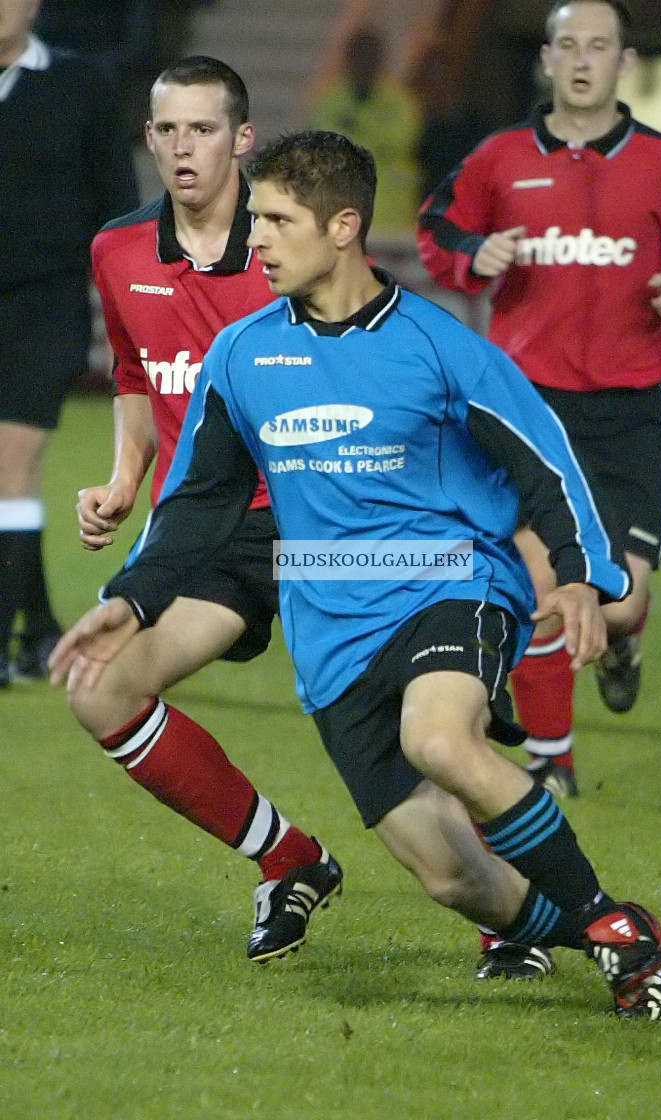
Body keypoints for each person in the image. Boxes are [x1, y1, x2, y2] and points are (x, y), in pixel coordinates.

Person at [51, 130, 661, 1021]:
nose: (256, 239)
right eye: (255, 217)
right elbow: (197, 500)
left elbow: (545, 459)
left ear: (343, 226)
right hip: (329, 620)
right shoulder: (242, 355)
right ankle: (607, 926)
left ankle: (607, 929)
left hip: (447, 579)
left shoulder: (434, 343)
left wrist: (581, 576)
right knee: (450, 877)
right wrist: (131, 598)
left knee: (438, 739)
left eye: (276, 219)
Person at [66, 56, 343, 964]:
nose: (185, 148)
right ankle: (290, 860)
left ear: (244, 138)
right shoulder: (116, 250)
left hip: (315, 515)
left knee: (408, 716)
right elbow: (136, 373)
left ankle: (523, 914)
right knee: (100, 688)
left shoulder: (290, 248)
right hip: (201, 525)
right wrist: (120, 478)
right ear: (149, 140)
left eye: (205, 129)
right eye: (169, 130)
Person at [417, 0, 661, 797]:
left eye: (599, 46)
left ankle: (624, 642)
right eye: (567, 45)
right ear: (545, 59)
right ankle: (551, 758)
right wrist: (473, 257)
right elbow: (438, 229)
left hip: (625, 413)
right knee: (543, 584)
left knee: (615, 604)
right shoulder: (498, 157)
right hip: (528, 407)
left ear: (624, 62)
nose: (582, 59)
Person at [0, 0, 139, 687]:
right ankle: (38, 631)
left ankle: (4, 640)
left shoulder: (81, 85)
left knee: (11, 462)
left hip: (43, 306)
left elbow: (115, 202)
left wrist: (126, 305)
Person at [310, 26, 422, 236]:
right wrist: (375, 134)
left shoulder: (398, 102)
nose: (364, 64)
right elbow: (327, 141)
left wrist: (357, 127)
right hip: (343, 208)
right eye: (359, 57)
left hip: (393, 212)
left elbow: (402, 138)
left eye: (370, 57)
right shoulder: (332, 100)